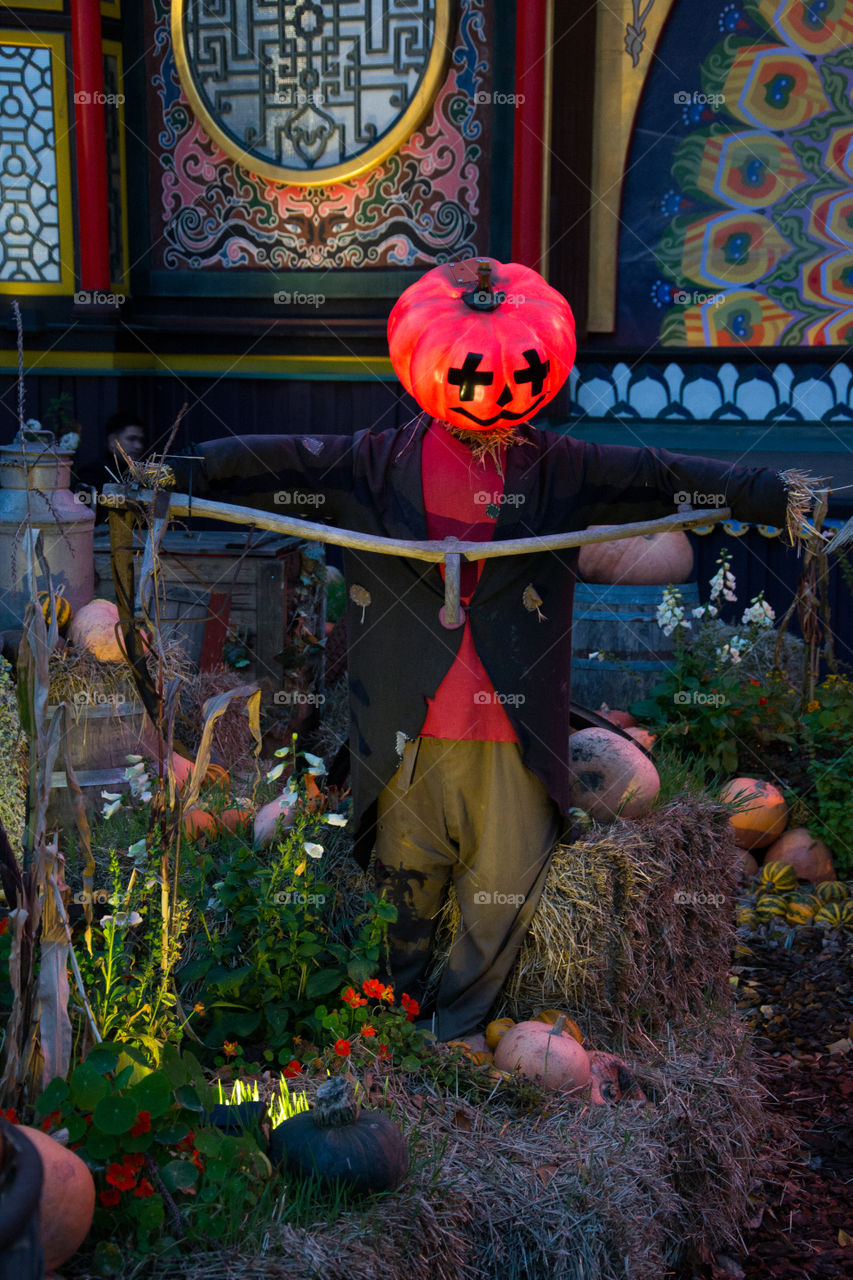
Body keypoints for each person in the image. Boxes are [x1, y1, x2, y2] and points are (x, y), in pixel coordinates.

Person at [167, 258, 815, 1043]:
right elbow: (279, 457)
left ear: (542, 369)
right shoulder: (371, 467)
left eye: (514, 375)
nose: (490, 395)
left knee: (498, 895)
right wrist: (178, 469)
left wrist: (770, 492)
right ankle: (389, 1034)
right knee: (400, 894)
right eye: (471, 373)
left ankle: (460, 1038)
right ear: (423, 366)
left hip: (510, 736)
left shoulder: (559, 472)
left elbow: (660, 475)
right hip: (406, 736)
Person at [75, 413, 147, 518]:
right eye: (131, 439)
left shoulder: (144, 474)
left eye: (140, 440)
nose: (138, 446)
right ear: (113, 441)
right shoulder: (91, 475)